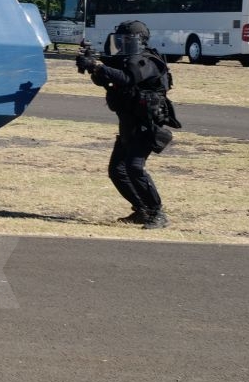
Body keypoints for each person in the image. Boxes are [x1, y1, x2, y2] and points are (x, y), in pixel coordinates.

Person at [76, 19, 179, 229]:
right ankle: (141, 210)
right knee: (117, 170)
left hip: (145, 124)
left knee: (134, 167)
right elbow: (106, 79)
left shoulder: (147, 61)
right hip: (128, 123)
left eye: (126, 40)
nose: (122, 44)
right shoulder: (122, 60)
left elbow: (127, 78)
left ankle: (157, 213)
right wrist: (90, 64)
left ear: (139, 41)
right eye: (119, 40)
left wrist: (98, 65)